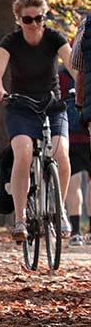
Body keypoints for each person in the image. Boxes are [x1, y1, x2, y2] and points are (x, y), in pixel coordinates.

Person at [0, 0, 74, 243]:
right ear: (19, 20)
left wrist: (82, 86)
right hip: (21, 107)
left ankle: (60, 211)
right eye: (28, 19)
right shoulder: (10, 42)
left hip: (52, 105)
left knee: (61, 154)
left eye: (39, 18)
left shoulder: (54, 38)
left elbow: (73, 65)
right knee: (23, 153)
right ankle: (20, 218)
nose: (35, 23)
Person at [59, 67, 89, 246]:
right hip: (88, 132)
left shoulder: (63, 75)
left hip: (71, 135)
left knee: (74, 183)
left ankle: (76, 232)